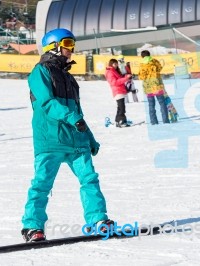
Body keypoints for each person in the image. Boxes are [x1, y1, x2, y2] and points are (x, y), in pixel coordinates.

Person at [21, 28, 113, 242]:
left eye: (72, 44)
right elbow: (46, 103)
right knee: (42, 183)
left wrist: (89, 137)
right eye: (68, 44)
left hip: (76, 141)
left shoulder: (69, 78)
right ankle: (32, 226)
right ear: (54, 46)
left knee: (90, 179)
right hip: (51, 139)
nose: (72, 49)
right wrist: (72, 119)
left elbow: (78, 112)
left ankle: (98, 220)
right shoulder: (40, 72)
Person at [138, 50, 169, 125]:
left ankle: (153, 121)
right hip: (157, 85)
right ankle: (165, 120)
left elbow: (141, 77)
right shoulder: (155, 61)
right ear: (149, 55)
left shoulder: (142, 64)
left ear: (142, 56)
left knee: (151, 104)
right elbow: (160, 68)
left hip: (148, 87)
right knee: (162, 103)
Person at [105, 58, 131, 127]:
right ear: (111, 64)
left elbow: (119, 79)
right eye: (114, 64)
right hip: (117, 91)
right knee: (121, 107)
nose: (116, 65)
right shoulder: (110, 72)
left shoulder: (114, 71)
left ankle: (118, 121)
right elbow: (114, 82)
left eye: (116, 64)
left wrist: (126, 77)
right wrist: (125, 78)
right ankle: (121, 121)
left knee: (120, 107)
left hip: (120, 90)